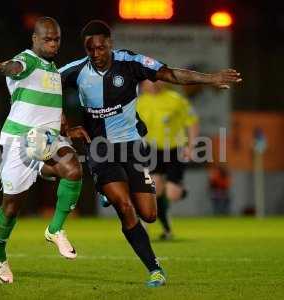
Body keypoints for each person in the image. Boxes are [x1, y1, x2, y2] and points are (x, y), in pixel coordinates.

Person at [59, 20, 241, 287]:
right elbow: (44, 87)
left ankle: (113, 191)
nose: (96, 54)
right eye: (91, 49)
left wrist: (210, 78)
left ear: (111, 43)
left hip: (132, 146)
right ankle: (154, 269)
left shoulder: (129, 62)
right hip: (100, 148)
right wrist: (65, 126)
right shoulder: (75, 71)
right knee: (124, 206)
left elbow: (169, 74)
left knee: (149, 214)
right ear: (85, 49)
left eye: (101, 47)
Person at [0, 17, 90, 284]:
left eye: (57, 39)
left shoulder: (53, 70)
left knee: (73, 170)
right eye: (47, 39)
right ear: (35, 39)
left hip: (47, 140)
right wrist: (2, 66)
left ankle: (55, 229)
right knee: (11, 208)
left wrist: (67, 128)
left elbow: (50, 108)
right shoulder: (27, 60)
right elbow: (15, 67)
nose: (53, 44)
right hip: (19, 143)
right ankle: (0, 255)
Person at [136, 80, 199, 240]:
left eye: (155, 81)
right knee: (154, 189)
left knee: (172, 194)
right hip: (152, 150)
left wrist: (191, 146)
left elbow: (192, 122)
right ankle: (159, 228)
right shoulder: (138, 102)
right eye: (148, 83)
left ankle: (179, 190)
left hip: (174, 149)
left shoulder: (176, 99)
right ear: (142, 86)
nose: (152, 85)